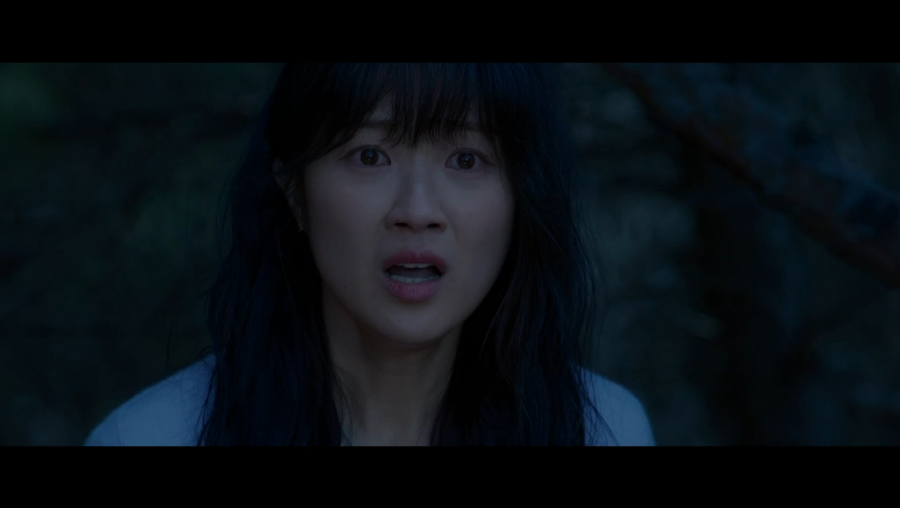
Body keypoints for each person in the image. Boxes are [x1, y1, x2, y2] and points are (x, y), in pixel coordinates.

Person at [84, 63, 655, 446]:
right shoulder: (152, 436)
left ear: (521, 198)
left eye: (465, 159)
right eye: (370, 156)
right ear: (295, 192)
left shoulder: (603, 431)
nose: (418, 210)